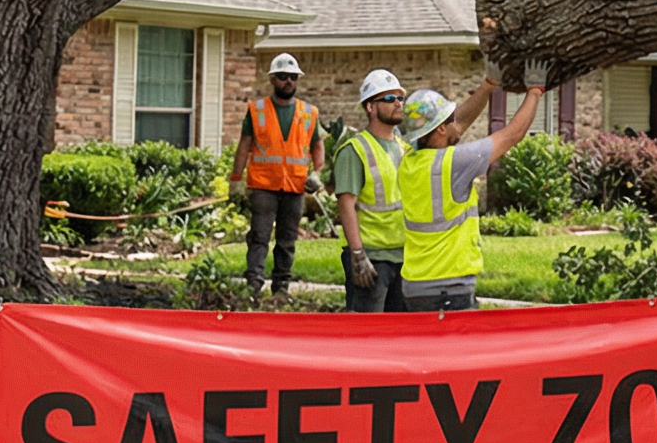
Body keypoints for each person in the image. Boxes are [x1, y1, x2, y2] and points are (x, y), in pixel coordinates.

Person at [396, 65, 548, 312]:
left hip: (416, 286)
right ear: (442, 129)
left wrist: (488, 85)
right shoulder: (454, 163)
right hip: (448, 289)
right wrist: (535, 91)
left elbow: (458, 125)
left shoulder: (409, 162)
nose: (459, 123)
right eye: (451, 120)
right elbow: (512, 135)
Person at [227, 52, 326, 303]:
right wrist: (236, 179)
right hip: (263, 185)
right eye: (283, 77)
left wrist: (317, 173)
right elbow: (244, 145)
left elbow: (317, 146)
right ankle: (253, 286)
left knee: (287, 239)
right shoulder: (257, 110)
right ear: (272, 79)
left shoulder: (308, 112)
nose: (288, 81)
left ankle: (281, 287)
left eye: (293, 77)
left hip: (295, 186)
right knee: (259, 236)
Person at [332, 68, 408, 313]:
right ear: (370, 107)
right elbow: (346, 203)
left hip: (403, 256)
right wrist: (357, 255)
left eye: (400, 98)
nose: (397, 103)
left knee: (400, 335)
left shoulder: (404, 148)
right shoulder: (355, 150)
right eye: (388, 98)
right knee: (368, 336)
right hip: (372, 259)